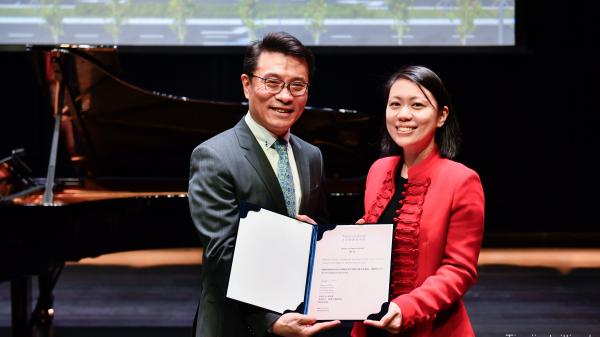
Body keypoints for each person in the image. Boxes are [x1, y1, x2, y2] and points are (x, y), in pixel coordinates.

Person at [188, 31, 340, 337]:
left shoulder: (312, 156)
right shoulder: (214, 156)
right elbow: (222, 256)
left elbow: (315, 236)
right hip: (235, 326)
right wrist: (269, 320)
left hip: (298, 322)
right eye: (272, 82)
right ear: (247, 85)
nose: (285, 96)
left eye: (297, 85)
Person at [352, 65, 485, 337]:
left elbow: (460, 270)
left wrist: (407, 308)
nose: (403, 115)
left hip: (431, 327)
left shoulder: (462, 180)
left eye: (417, 105)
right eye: (395, 104)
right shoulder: (378, 170)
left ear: (441, 116)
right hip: (371, 325)